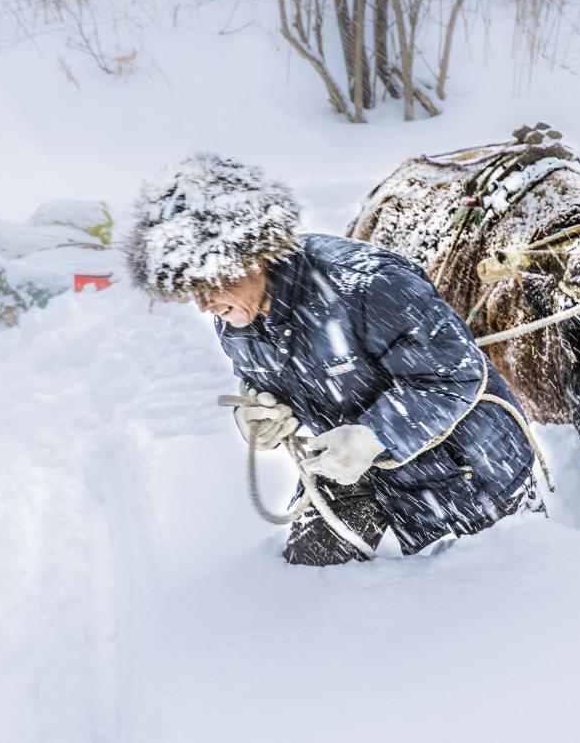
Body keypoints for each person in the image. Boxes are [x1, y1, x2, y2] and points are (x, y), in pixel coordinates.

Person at [125, 153, 544, 566]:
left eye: (209, 285)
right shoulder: (236, 318)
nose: (203, 306)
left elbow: (452, 379)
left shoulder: (368, 284)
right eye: (190, 291)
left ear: (254, 255)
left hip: (465, 467)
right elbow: (266, 385)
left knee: (472, 598)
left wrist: (373, 436)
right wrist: (263, 415)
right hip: (349, 470)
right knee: (310, 577)